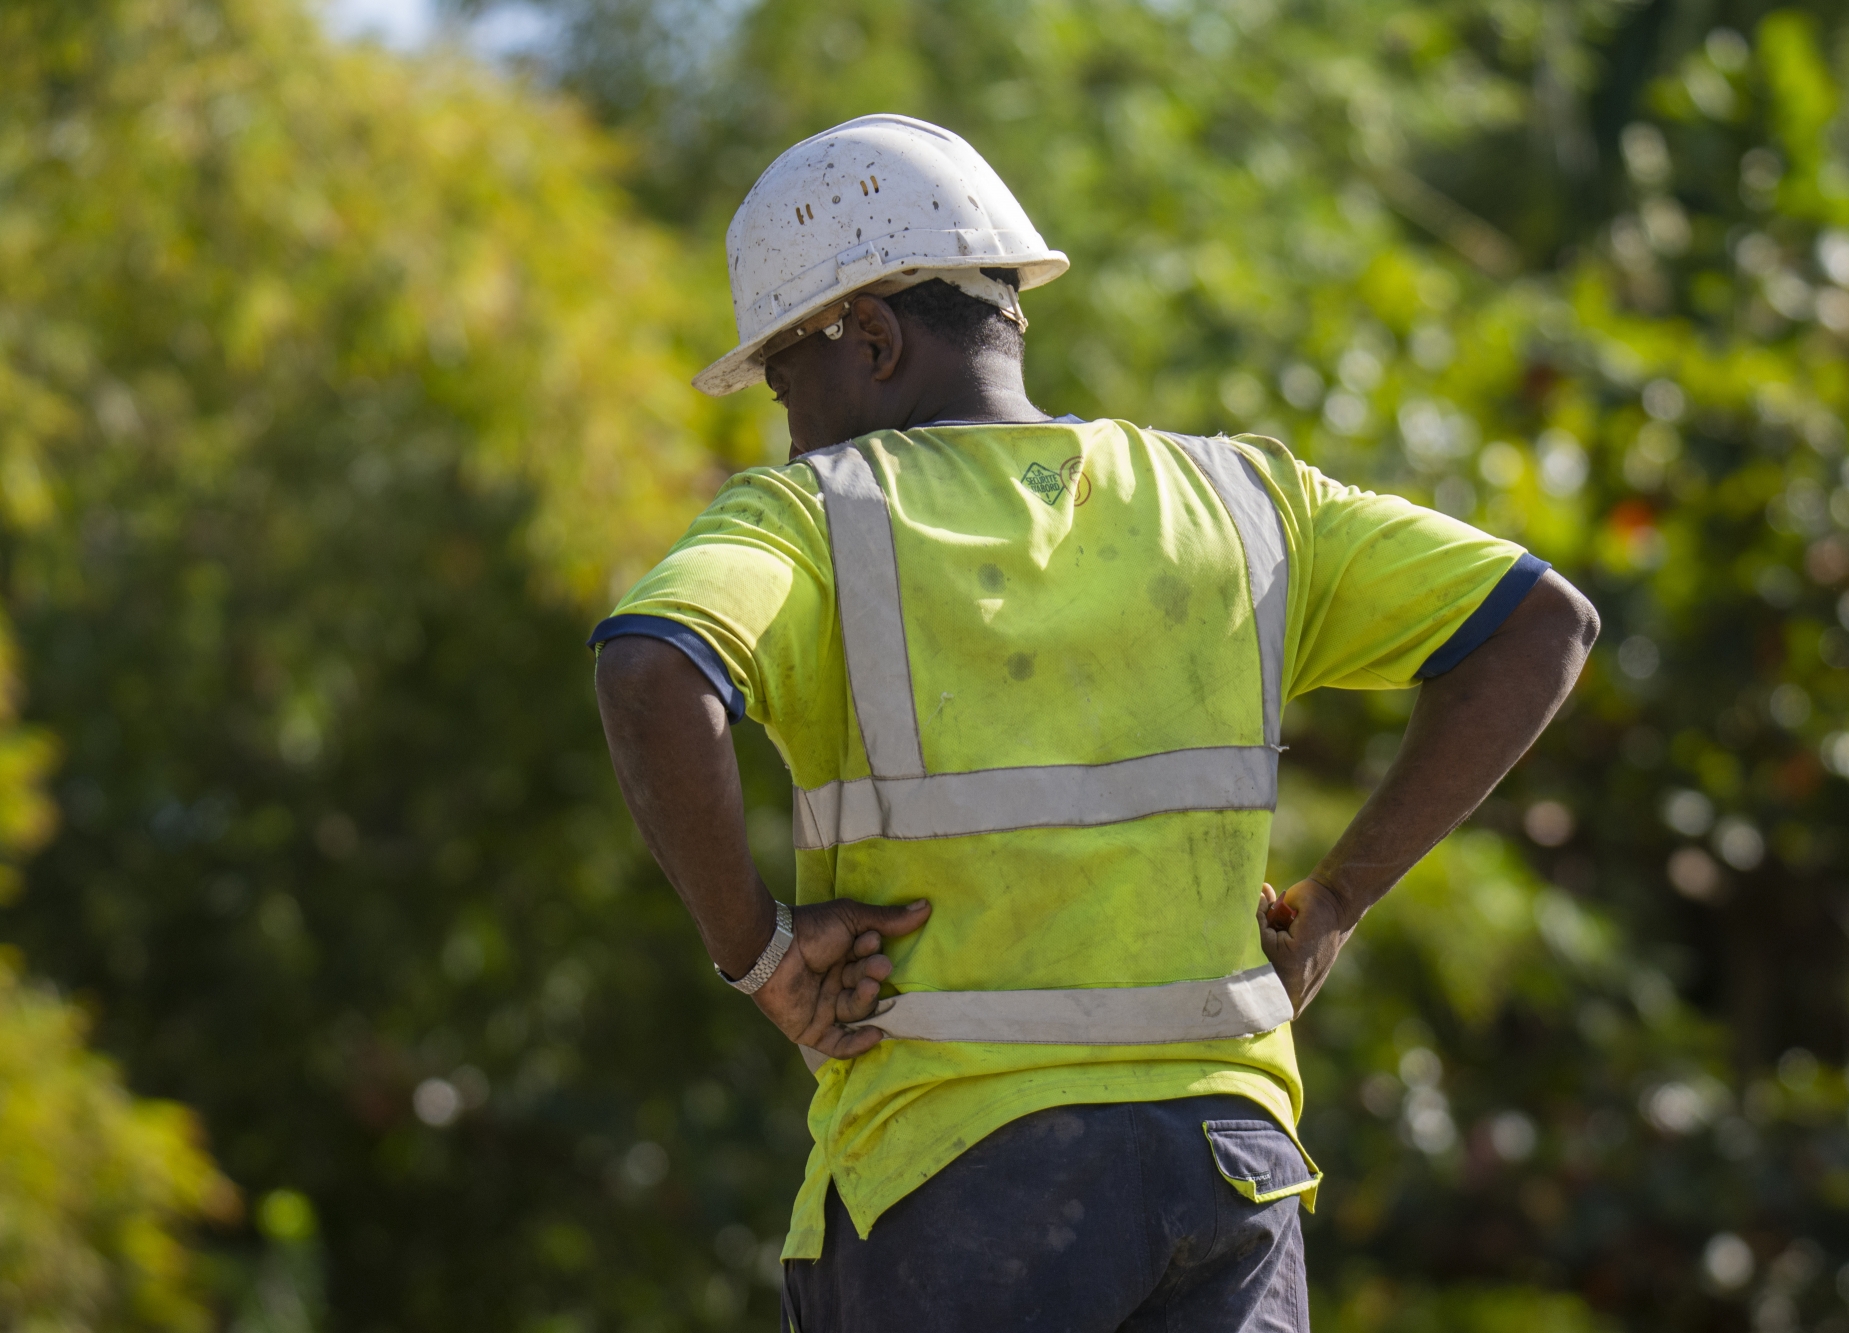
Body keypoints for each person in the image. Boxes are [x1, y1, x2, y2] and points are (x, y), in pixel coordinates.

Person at [592, 114, 1598, 1332]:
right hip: (1227, 1171)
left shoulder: (817, 515)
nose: (787, 424)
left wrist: (758, 955)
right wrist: (1333, 902)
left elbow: (650, 665)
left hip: (957, 1184)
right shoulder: (1240, 499)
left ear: (870, 335)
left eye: (785, 377)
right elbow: (1541, 623)